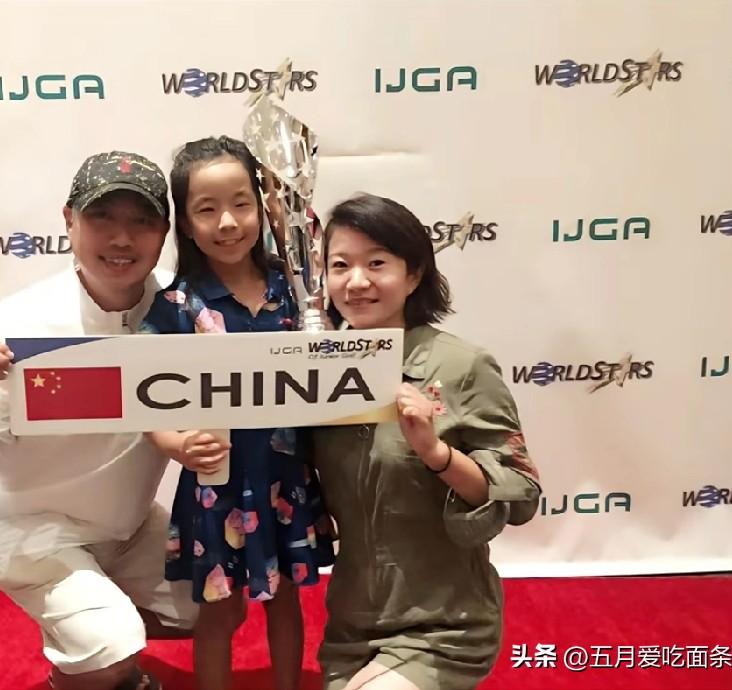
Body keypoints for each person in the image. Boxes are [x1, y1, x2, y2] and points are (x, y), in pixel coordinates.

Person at [0, 151, 198, 690]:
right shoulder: (15, 322)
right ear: (69, 220)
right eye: (102, 217)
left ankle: (95, 628)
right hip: (32, 527)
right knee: (110, 647)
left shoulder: (184, 308)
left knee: (210, 603)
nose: (121, 238)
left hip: (130, 525)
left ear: (164, 232)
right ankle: (93, 660)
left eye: (142, 221)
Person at [311, 194, 542, 690]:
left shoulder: (462, 366)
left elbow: (521, 492)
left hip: (444, 624)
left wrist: (437, 454)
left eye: (377, 263)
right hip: (350, 626)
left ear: (413, 274)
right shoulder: (314, 372)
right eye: (340, 265)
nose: (356, 281)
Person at [140, 135, 335, 690]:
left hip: (287, 478)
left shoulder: (297, 291)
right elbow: (143, 398)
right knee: (220, 611)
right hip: (215, 485)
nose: (227, 223)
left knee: (287, 600)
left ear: (264, 206)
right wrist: (175, 444)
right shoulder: (176, 306)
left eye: (241, 203)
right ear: (185, 223)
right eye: (207, 209)